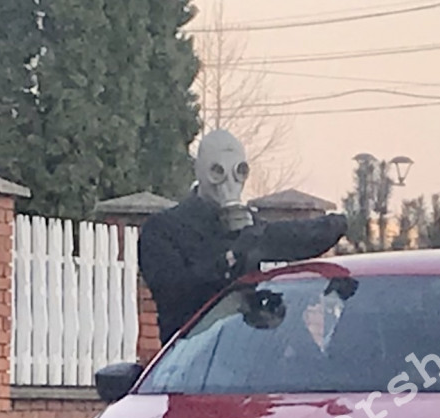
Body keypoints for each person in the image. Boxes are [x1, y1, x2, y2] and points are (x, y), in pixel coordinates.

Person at [138, 129, 348, 342]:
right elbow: (173, 291)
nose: (229, 182)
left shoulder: (251, 230)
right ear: (199, 171)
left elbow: (295, 239)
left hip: (246, 357)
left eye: (239, 171)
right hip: (194, 359)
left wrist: (337, 225)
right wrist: (228, 261)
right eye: (218, 171)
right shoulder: (163, 230)